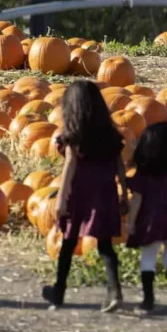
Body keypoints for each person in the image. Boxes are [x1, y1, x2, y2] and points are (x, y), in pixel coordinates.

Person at [42, 80, 129, 312]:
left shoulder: (74, 135)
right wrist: (123, 193)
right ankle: (115, 291)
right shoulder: (110, 136)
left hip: (79, 193)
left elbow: (70, 166)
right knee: (105, 245)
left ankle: (58, 292)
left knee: (69, 242)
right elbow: (120, 165)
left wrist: (61, 198)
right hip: (105, 193)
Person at [125, 121, 167, 312]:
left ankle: (148, 300)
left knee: (148, 258)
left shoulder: (144, 175)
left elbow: (137, 199)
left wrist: (131, 221)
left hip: (152, 222)